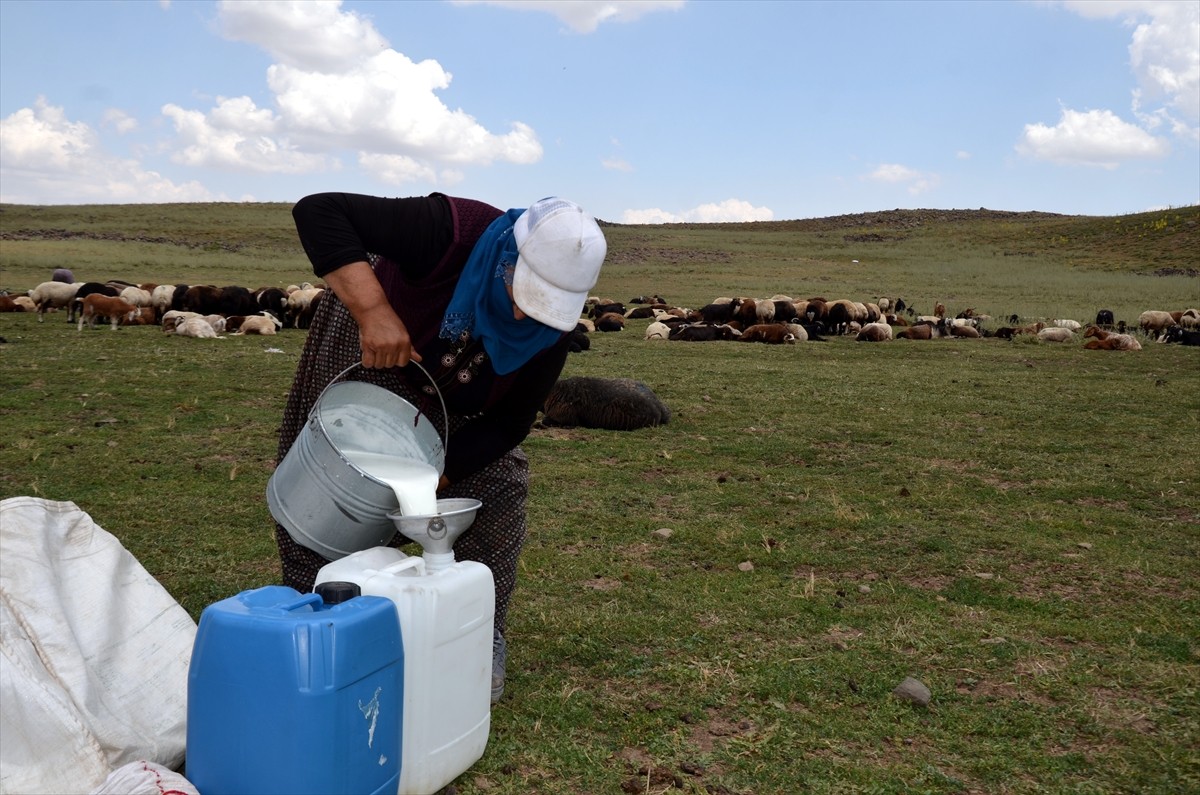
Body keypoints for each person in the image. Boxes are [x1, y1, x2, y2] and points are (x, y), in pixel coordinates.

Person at [275, 192, 606, 703]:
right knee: (330, 480)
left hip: (457, 400)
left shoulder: (549, 335)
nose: (522, 316)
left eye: (544, 305)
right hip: (374, 352)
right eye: (525, 291)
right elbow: (319, 211)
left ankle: (476, 631)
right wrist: (374, 311)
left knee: (498, 485)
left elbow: (509, 423)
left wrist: (437, 479)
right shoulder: (454, 231)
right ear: (509, 258)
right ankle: (318, 616)